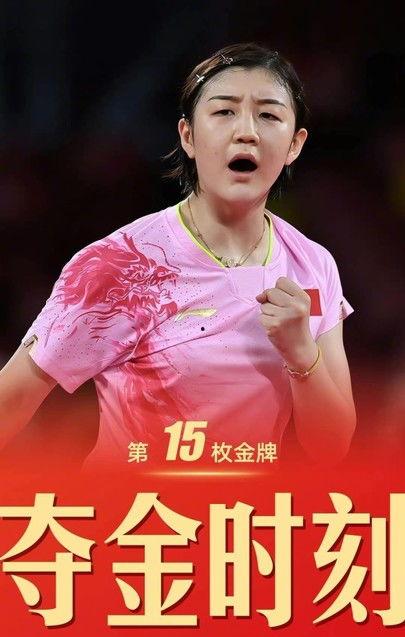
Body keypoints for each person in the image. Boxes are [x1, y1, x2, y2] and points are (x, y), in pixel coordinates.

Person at [0, 43, 356, 469]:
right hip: (131, 509)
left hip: (236, 510)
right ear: (188, 136)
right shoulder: (123, 263)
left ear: (295, 144)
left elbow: (332, 446)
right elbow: (12, 399)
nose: (247, 131)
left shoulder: (313, 264)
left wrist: (302, 356)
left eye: (268, 115)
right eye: (224, 112)